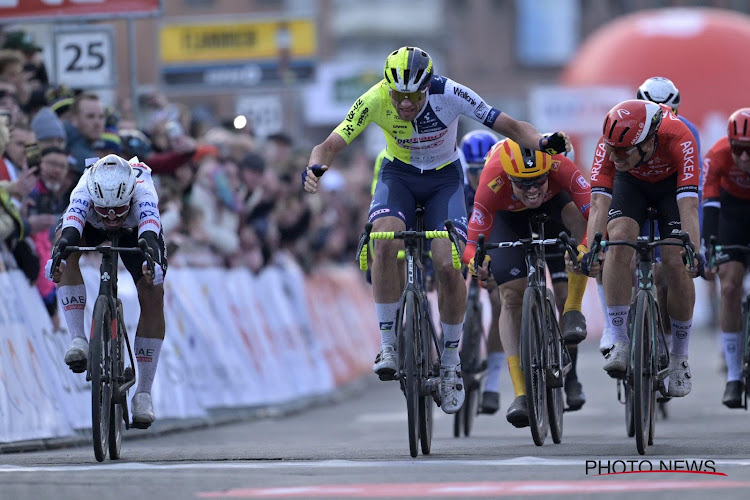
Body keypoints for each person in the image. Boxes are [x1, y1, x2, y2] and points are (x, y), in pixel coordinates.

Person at [302, 46, 570, 414]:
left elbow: (507, 126)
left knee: (447, 263)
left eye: (413, 96)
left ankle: (449, 360)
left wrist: (541, 142)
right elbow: (329, 144)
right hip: (399, 176)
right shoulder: (376, 98)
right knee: (384, 239)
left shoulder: (451, 93)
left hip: (444, 180)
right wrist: (315, 168)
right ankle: (389, 344)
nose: (405, 104)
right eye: (399, 96)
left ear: (428, 87)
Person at [464, 139, 590, 426]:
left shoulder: (559, 164)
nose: (532, 190)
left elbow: (592, 212)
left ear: (548, 170)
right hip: (508, 217)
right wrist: (476, 262)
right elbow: (472, 242)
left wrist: (585, 247)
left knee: (577, 234)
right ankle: (521, 393)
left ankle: (572, 309)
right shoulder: (492, 179)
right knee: (511, 297)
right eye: (523, 183)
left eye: (538, 181)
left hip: (555, 209)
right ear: (509, 177)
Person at [584, 99, 702, 398]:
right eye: (611, 149)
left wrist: (693, 251)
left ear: (649, 141)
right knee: (619, 240)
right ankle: (621, 339)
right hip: (631, 184)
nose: (615, 155)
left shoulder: (680, 137)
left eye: (622, 150)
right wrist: (592, 247)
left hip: (670, 187)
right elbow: (599, 202)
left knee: (676, 261)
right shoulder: (612, 145)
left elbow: (688, 204)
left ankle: (679, 357)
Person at [46, 154, 167, 428]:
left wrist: (151, 263)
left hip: (134, 229)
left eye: (118, 209)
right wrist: (59, 258)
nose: (112, 216)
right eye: (105, 209)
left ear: (131, 197)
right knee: (65, 250)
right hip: (90, 225)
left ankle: (144, 393)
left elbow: (149, 235)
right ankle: (78, 339)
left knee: (153, 289)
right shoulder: (84, 188)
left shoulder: (143, 191)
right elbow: (70, 232)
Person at [701, 108, 750, 408]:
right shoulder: (717, 155)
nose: (744, 158)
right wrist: (710, 248)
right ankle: (734, 375)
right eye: (739, 149)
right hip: (730, 214)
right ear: (729, 143)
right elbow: (710, 206)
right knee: (729, 286)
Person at [458, 130, 506, 415]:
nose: (478, 177)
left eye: (483, 170)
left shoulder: (500, 184)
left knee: (501, 300)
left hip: (493, 244)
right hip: (465, 247)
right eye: (472, 171)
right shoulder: (457, 186)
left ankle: (493, 383)